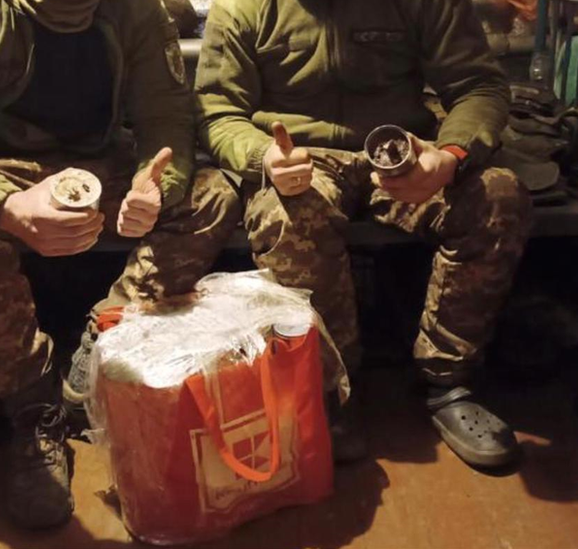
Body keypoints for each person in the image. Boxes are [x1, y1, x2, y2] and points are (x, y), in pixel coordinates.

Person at [0, 0, 240, 530]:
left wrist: (155, 188)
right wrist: (3, 205)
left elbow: (166, 119)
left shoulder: (137, 13)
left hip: (102, 165)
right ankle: (30, 408)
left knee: (213, 195)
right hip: (5, 169)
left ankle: (106, 337)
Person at [196, 0, 533, 468]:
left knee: (498, 196)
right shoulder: (242, 8)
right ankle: (330, 389)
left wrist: (450, 155)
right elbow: (219, 112)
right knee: (286, 213)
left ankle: (447, 380)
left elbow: (478, 86)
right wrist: (263, 158)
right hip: (300, 158)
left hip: (402, 153)